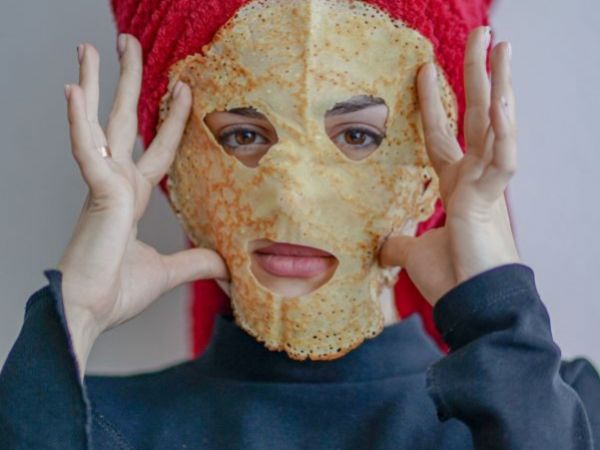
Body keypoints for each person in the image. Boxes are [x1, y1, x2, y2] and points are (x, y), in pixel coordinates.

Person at [1, 0, 599, 449]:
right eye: (243, 134)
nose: (293, 197)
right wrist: (74, 312)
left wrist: (496, 313)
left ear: (430, 166)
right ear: (176, 161)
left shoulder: (556, 409)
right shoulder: (89, 425)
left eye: (358, 135)